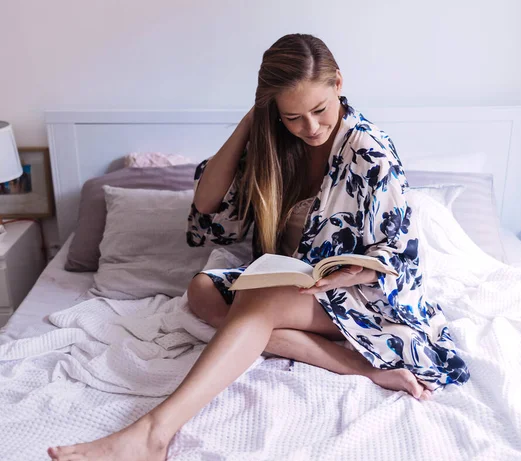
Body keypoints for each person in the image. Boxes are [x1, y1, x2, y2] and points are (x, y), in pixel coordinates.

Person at [48, 33, 469, 461]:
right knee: (202, 289)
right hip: (292, 285)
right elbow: (207, 206)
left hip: (361, 296)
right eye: (293, 116)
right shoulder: (276, 141)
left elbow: (400, 254)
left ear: (338, 82)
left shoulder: (370, 151)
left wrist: (351, 272)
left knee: (259, 300)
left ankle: (154, 432)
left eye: (320, 109)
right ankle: (358, 366)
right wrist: (252, 123)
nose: (311, 127)